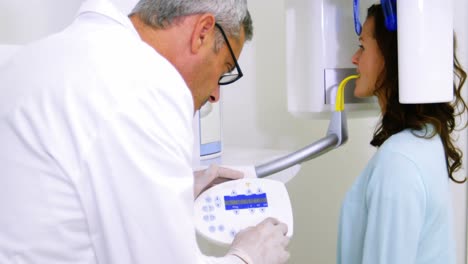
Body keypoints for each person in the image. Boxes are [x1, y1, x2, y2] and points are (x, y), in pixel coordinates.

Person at [0, 0, 290, 263]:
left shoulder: (40, 56)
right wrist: (249, 257)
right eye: (224, 69)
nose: (215, 94)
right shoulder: (143, 86)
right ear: (202, 31)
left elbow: (64, 200)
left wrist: (166, 193)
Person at [337, 3, 467, 264]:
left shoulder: (398, 159)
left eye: (363, 46)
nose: (354, 58)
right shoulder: (427, 138)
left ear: (392, 55)